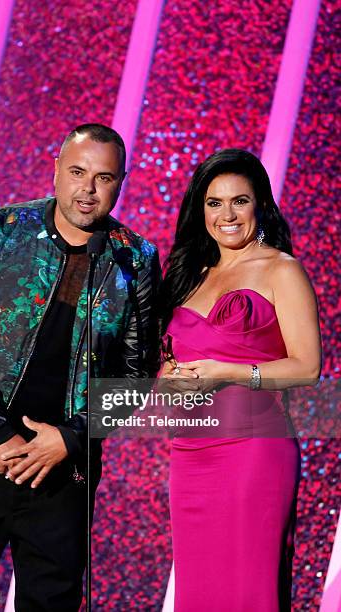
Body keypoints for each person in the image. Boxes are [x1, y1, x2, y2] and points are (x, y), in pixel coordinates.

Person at [0, 123, 160, 611]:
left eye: (104, 178)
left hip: (63, 471)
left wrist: (73, 438)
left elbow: (138, 375)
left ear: (121, 183)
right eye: (78, 172)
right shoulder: (0, 230)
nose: (88, 189)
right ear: (55, 169)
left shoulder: (135, 259)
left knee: (50, 602)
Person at [159, 149, 321, 611]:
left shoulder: (280, 269)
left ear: (260, 205)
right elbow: (166, 360)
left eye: (239, 201)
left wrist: (228, 373)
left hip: (252, 453)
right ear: (200, 209)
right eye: (214, 203)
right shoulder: (189, 273)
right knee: (200, 594)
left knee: (249, 592)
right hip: (188, 456)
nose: (226, 215)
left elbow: (307, 368)